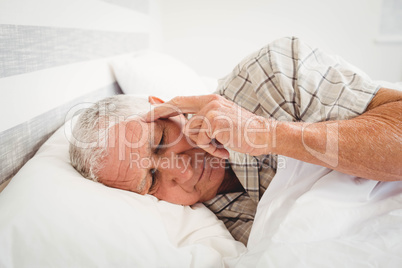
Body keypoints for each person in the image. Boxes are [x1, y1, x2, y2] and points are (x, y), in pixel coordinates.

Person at [69, 37, 402, 245]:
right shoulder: (207, 233)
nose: (183, 173)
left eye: (159, 141)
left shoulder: (268, 75)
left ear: (164, 107)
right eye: (152, 179)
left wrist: (267, 134)